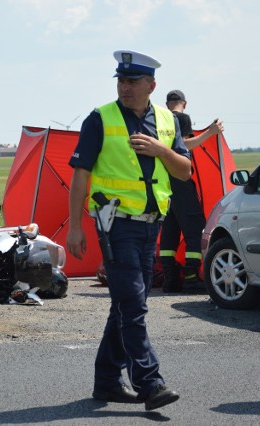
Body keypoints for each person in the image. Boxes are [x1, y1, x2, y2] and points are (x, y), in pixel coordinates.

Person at [67, 50, 191, 411]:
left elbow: (184, 170)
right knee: (133, 304)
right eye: (121, 80)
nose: (125, 87)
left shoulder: (168, 121)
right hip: (114, 225)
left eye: (133, 81)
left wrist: (160, 150)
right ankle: (150, 383)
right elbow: (80, 176)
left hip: (151, 225)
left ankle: (107, 381)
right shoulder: (100, 119)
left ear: (151, 85)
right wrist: (75, 227)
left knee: (125, 305)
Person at [159, 90, 224, 292]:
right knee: (195, 229)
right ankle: (190, 277)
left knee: (170, 230)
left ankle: (169, 279)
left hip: (164, 184)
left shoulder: (160, 121)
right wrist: (210, 133)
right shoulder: (181, 118)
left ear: (167, 103)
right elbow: (185, 145)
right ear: (184, 103)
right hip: (181, 180)